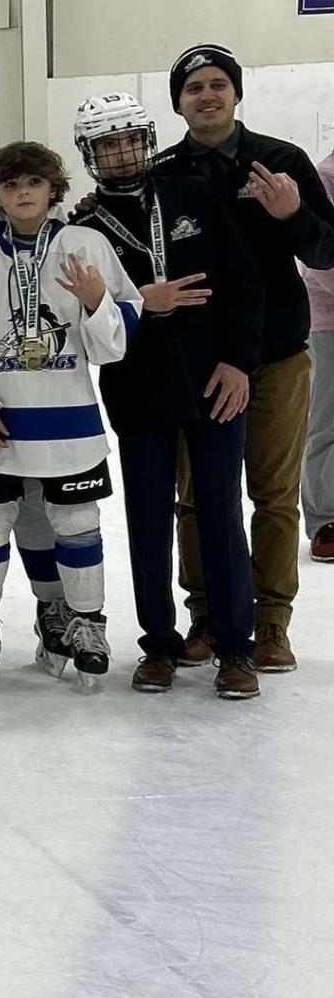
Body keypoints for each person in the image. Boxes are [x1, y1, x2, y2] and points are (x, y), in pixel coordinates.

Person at [72, 94, 261, 700]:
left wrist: (238, 362)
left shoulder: (192, 196)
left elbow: (243, 283)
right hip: (138, 388)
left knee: (220, 513)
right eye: (106, 144)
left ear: (147, 139)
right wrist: (136, 303)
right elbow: (87, 321)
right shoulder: (85, 229)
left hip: (213, 382)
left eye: (129, 138)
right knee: (148, 519)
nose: (121, 153)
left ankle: (236, 648)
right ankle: (158, 644)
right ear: (90, 154)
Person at [153, 44, 334, 672]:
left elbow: (326, 250)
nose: (207, 95)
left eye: (218, 84)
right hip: (195, 361)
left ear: (236, 93)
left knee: (275, 493)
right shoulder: (164, 171)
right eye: (194, 87)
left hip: (278, 355)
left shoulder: (281, 162)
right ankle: (205, 614)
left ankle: (271, 620)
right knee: (199, 496)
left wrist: (293, 215)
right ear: (178, 100)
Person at [0, 141, 140, 689]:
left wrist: (99, 301)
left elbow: (115, 347)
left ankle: (87, 624)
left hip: (69, 421)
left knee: (77, 525)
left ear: (54, 188)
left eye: (33, 182)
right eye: (10, 185)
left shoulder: (87, 243)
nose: (23, 193)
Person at [303, 141, 334, 560]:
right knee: (328, 420)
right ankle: (326, 518)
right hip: (330, 320)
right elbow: (316, 256)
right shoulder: (324, 177)